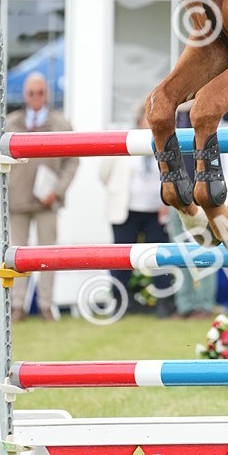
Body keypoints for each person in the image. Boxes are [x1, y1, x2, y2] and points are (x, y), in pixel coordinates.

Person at [5, 72, 78, 320]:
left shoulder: (60, 123)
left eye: (40, 92)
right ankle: (17, 306)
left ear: (46, 94)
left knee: (48, 256)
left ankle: (46, 305)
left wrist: (58, 190)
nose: (36, 97)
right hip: (17, 200)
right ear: (25, 95)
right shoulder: (10, 123)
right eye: (31, 93)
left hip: (48, 200)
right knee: (16, 255)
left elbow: (72, 160)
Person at [99, 106, 175, 317]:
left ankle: (164, 303)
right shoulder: (124, 139)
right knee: (121, 259)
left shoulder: (167, 143)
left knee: (159, 258)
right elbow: (104, 173)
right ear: (139, 120)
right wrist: (115, 191)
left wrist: (168, 204)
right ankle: (120, 302)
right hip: (126, 211)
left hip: (156, 212)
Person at [165, 107, 221, 318]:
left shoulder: (206, 114)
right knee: (179, 250)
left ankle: (204, 304)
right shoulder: (169, 118)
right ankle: (185, 305)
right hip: (177, 193)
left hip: (202, 192)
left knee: (206, 249)